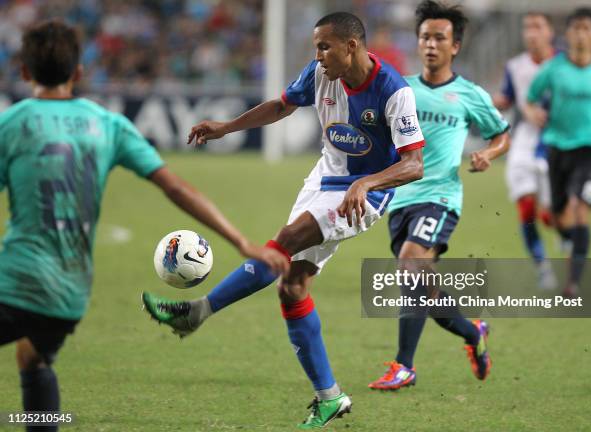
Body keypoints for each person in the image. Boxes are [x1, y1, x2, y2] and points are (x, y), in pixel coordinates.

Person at [0, 20, 288, 432]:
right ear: (79, 73)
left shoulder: (10, 125)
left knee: (31, 355)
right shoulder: (108, 124)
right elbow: (177, 188)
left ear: (24, 72)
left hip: (14, 280)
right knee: (32, 357)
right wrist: (242, 243)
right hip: (67, 295)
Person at [142, 12, 425, 429]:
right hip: (324, 179)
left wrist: (366, 184)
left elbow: (414, 164)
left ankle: (196, 312)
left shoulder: (394, 91)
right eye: (316, 46)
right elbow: (281, 106)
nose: (318, 54)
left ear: (352, 46)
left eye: (325, 46)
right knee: (291, 286)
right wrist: (226, 128)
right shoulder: (319, 73)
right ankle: (330, 398)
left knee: (286, 240)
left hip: (364, 195)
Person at [367, 0, 510, 391]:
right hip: (399, 200)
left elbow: (501, 134)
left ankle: (404, 366)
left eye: (439, 38)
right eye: (425, 37)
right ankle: (472, 332)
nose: (431, 44)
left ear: (455, 46)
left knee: (411, 264)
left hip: (442, 197)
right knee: (423, 290)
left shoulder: (469, 94)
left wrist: (488, 153)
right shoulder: (400, 89)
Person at [525, 7, 591, 298]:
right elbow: (530, 99)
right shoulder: (554, 68)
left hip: (589, 151)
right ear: (568, 34)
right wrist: (533, 112)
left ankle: (573, 283)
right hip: (556, 149)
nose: (581, 35)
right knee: (560, 218)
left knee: (579, 208)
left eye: (587, 29)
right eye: (576, 29)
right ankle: (569, 241)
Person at [493, 12, 557, 289]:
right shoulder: (515, 66)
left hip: (559, 143)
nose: (531, 33)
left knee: (554, 212)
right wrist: (488, 104)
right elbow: (507, 98)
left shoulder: (563, 64)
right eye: (527, 27)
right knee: (526, 205)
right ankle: (543, 265)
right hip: (524, 141)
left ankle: (561, 229)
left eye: (537, 27)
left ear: (550, 32)